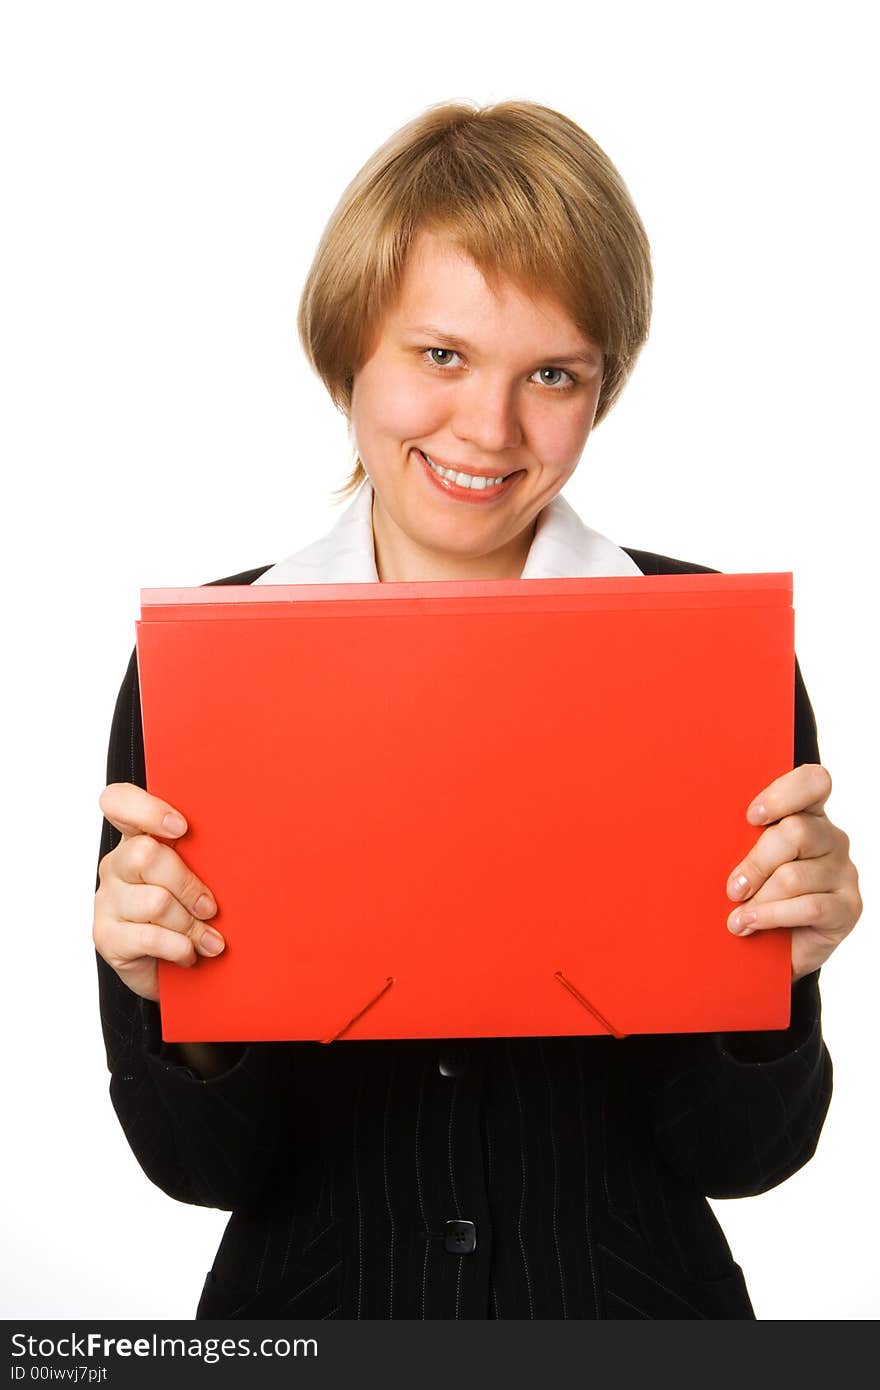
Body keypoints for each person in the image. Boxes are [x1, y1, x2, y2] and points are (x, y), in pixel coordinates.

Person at [92, 99, 862, 1319]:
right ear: (347, 346)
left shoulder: (710, 653)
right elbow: (198, 1170)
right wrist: (172, 1006)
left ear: (599, 389)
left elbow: (747, 1157)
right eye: (440, 355)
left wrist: (773, 989)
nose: (489, 429)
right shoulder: (206, 665)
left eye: (550, 373)